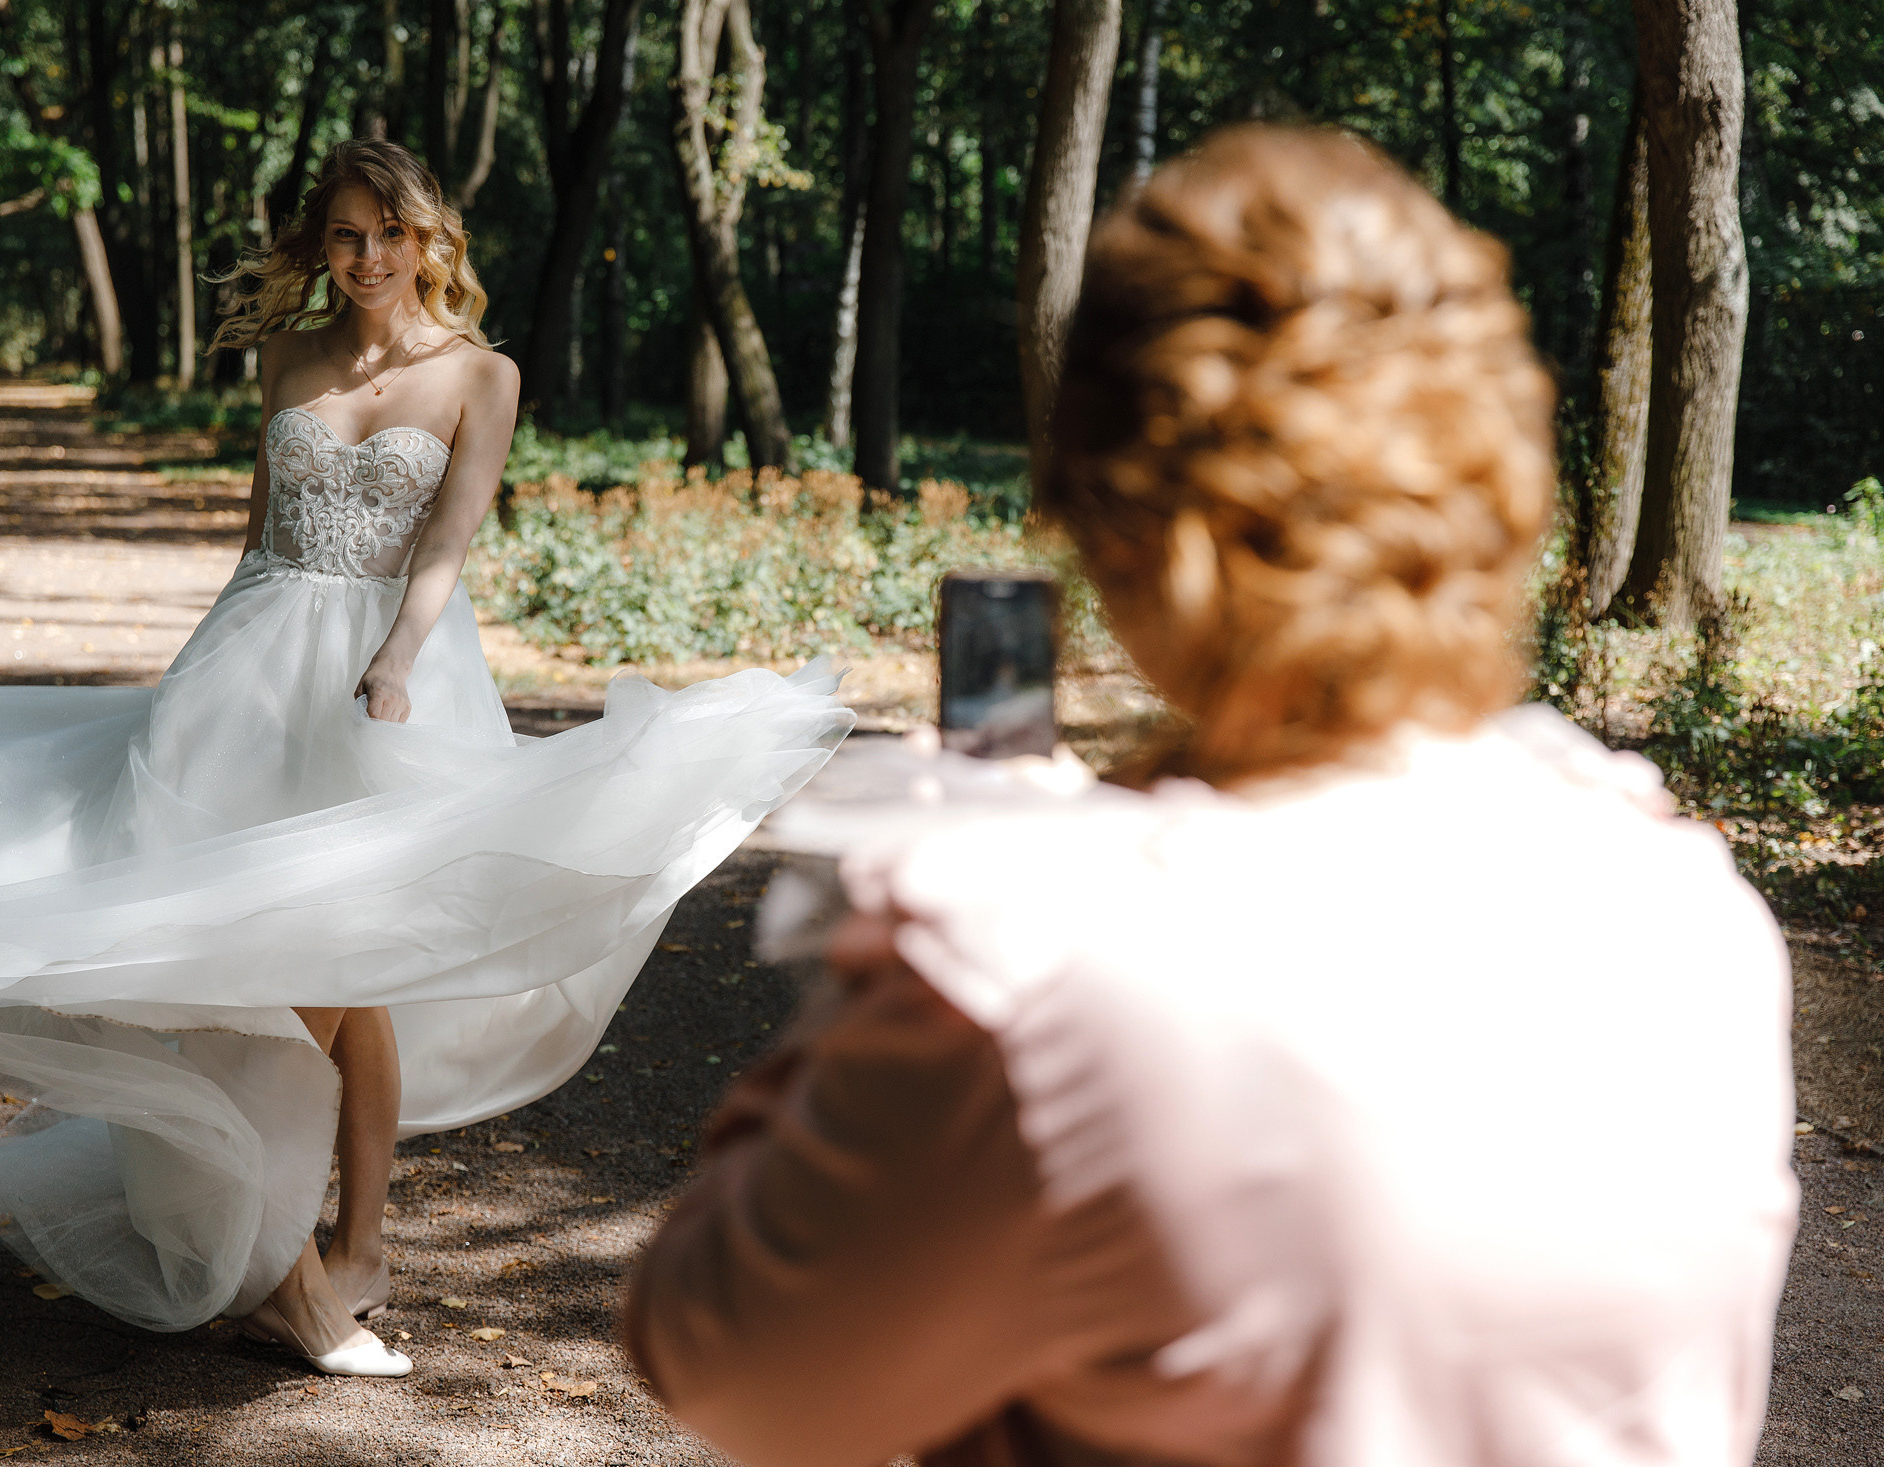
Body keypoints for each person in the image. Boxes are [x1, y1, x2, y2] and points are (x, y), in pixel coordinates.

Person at [624, 124, 1796, 1465]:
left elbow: (730, 1364)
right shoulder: (1686, 909)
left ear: (1111, 521)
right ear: (1494, 478)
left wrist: (891, 944)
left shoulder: (1045, 976)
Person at [0, 139, 850, 1376]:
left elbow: (446, 544)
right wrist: (200, 676)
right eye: (344, 235)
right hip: (248, 671)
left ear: (429, 240)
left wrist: (397, 660)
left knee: (344, 960)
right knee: (229, 958)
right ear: (320, 242)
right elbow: (257, 533)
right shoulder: (287, 356)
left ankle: (351, 1252)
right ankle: (287, 1269)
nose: (367, 258)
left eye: (389, 235)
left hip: (390, 677)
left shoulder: (479, 375)